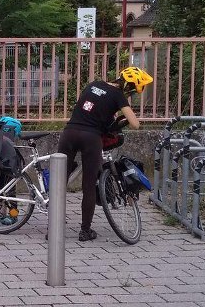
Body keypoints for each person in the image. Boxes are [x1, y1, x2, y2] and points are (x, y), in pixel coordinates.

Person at [58, 66, 152, 242]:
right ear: (130, 86)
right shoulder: (118, 95)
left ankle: (53, 229)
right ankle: (85, 231)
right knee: (88, 186)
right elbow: (134, 123)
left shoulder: (94, 84)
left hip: (69, 133)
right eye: (135, 90)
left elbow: (89, 109)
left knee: (59, 183)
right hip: (90, 138)